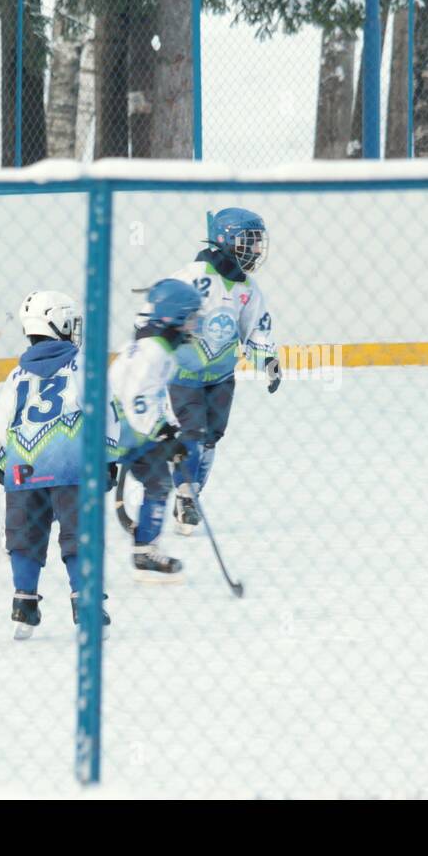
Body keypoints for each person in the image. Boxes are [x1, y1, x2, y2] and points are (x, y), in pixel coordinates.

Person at [0, 291, 118, 639]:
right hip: (71, 468)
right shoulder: (83, 365)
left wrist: (1, 461)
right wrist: (107, 458)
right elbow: (104, 411)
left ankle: (23, 604)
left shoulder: (16, 375)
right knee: (80, 534)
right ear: (58, 323)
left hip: (23, 466)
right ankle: (86, 604)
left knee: (24, 535)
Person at [164, 207, 279, 535]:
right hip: (185, 375)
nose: (256, 249)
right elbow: (159, 312)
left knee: (212, 437)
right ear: (228, 239)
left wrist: (267, 360)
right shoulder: (193, 276)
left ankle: (191, 495)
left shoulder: (249, 290)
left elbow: (256, 329)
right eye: (250, 241)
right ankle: (184, 493)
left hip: (222, 377)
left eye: (259, 242)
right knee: (193, 432)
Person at [108, 279, 204, 580]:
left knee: (159, 482)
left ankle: (145, 550)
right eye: (190, 317)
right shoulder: (155, 352)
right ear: (172, 318)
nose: (194, 323)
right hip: (117, 433)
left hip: (130, 431)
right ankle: (26, 529)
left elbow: (152, 396)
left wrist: (169, 429)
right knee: (78, 491)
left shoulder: (156, 347)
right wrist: (162, 434)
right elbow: (138, 399)